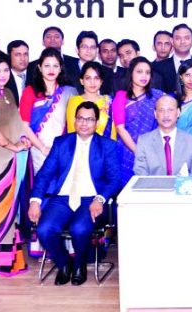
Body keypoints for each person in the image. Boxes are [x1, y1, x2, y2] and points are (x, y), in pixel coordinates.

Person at [28, 101, 120, 286]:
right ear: (74, 120)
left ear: (96, 122)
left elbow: (115, 179)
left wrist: (100, 198)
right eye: (80, 119)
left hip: (90, 199)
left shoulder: (106, 145)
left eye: (89, 119)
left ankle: (79, 265)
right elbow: (45, 174)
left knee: (80, 229)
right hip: (63, 198)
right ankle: (64, 264)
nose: (84, 123)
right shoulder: (61, 143)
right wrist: (35, 201)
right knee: (45, 230)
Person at [0, 50, 45, 276]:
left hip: (11, 157)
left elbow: (15, 124)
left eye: (5, 70)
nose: (2, 74)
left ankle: (9, 258)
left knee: (10, 209)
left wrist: (21, 140)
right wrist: (12, 146)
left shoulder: (8, 94)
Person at [19, 48, 76, 175]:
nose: (51, 70)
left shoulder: (69, 92)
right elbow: (24, 125)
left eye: (55, 66)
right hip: (37, 149)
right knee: (41, 187)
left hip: (63, 149)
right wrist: (42, 148)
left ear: (61, 68)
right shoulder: (30, 91)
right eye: (47, 65)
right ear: (39, 67)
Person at [112, 56, 166, 186]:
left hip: (152, 150)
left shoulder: (157, 96)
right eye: (139, 71)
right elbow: (120, 128)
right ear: (131, 74)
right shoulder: (121, 96)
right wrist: (138, 152)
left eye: (148, 72)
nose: (144, 76)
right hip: (125, 151)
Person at [133, 95, 192, 176]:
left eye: (170, 110)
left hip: (184, 187)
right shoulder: (144, 141)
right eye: (161, 110)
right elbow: (140, 174)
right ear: (155, 114)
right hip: (154, 188)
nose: (166, 115)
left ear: (178, 112)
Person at [153, 24, 192, 94]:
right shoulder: (158, 67)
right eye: (178, 38)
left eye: (186, 38)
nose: (182, 42)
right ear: (172, 41)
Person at [65, 61, 116, 139]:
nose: (92, 82)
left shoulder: (109, 101)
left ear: (101, 81)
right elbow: (72, 131)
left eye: (96, 78)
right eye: (88, 78)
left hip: (105, 149)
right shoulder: (74, 101)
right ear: (82, 81)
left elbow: (113, 133)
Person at [65, 31, 114, 95]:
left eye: (92, 47)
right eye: (85, 47)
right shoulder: (66, 69)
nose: (89, 50)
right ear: (77, 50)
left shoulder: (108, 73)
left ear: (97, 50)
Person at [6, 40, 30, 107]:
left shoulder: (37, 75)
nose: (23, 58)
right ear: (9, 56)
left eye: (25, 54)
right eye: (18, 55)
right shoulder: (4, 78)